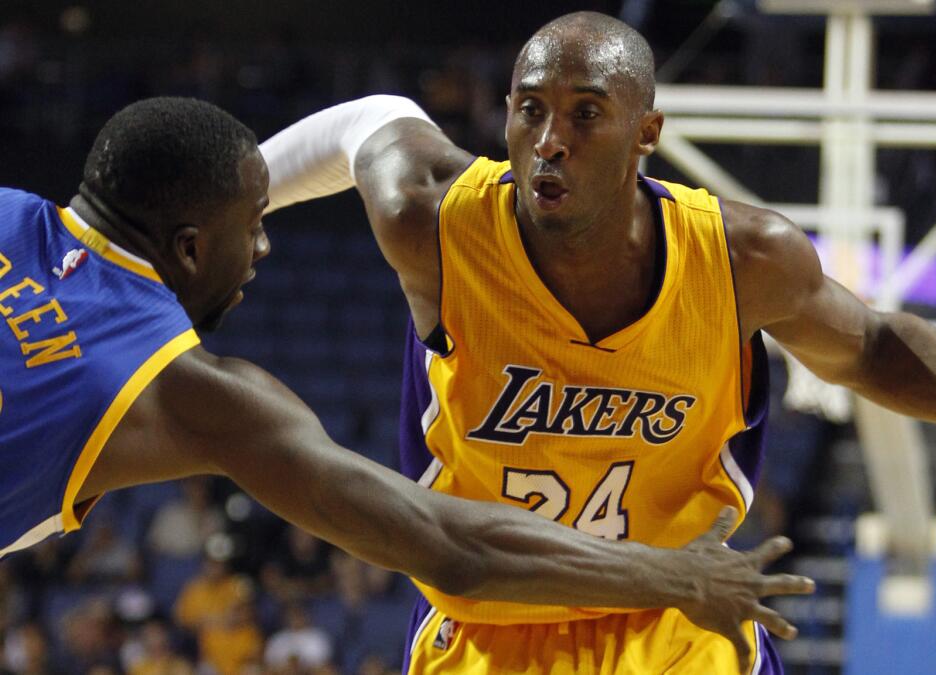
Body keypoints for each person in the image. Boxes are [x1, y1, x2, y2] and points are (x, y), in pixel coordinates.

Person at [262, 11, 936, 674]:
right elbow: (366, 119)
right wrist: (226, 201)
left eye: (585, 114)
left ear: (647, 133)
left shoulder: (741, 257)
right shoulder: (438, 223)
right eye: (529, 111)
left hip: (679, 620)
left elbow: (874, 345)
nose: (549, 143)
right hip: (494, 626)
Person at [0, 96, 817, 659]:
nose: (263, 247)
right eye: (251, 227)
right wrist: (672, 574)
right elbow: (449, 544)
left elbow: (373, 121)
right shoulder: (185, 396)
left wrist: (229, 195)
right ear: (186, 248)